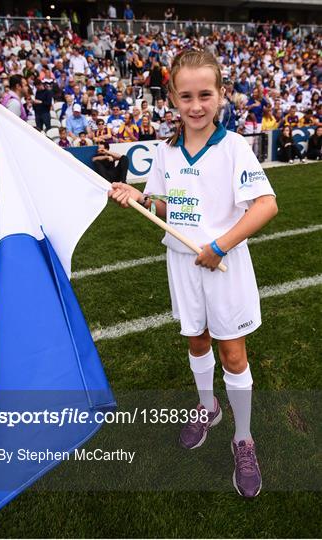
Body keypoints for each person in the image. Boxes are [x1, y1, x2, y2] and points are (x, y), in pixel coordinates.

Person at [109, 49, 278, 498]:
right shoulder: (164, 151)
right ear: (172, 98)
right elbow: (168, 206)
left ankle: (243, 437)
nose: (196, 105)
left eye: (206, 94)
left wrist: (219, 244)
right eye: (186, 96)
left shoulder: (235, 146)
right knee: (197, 340)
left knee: (233, 354)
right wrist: (141, 199)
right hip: (183, 264)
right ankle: (208, 407)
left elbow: (266, 205)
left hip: (224, 264)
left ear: (221, 94)